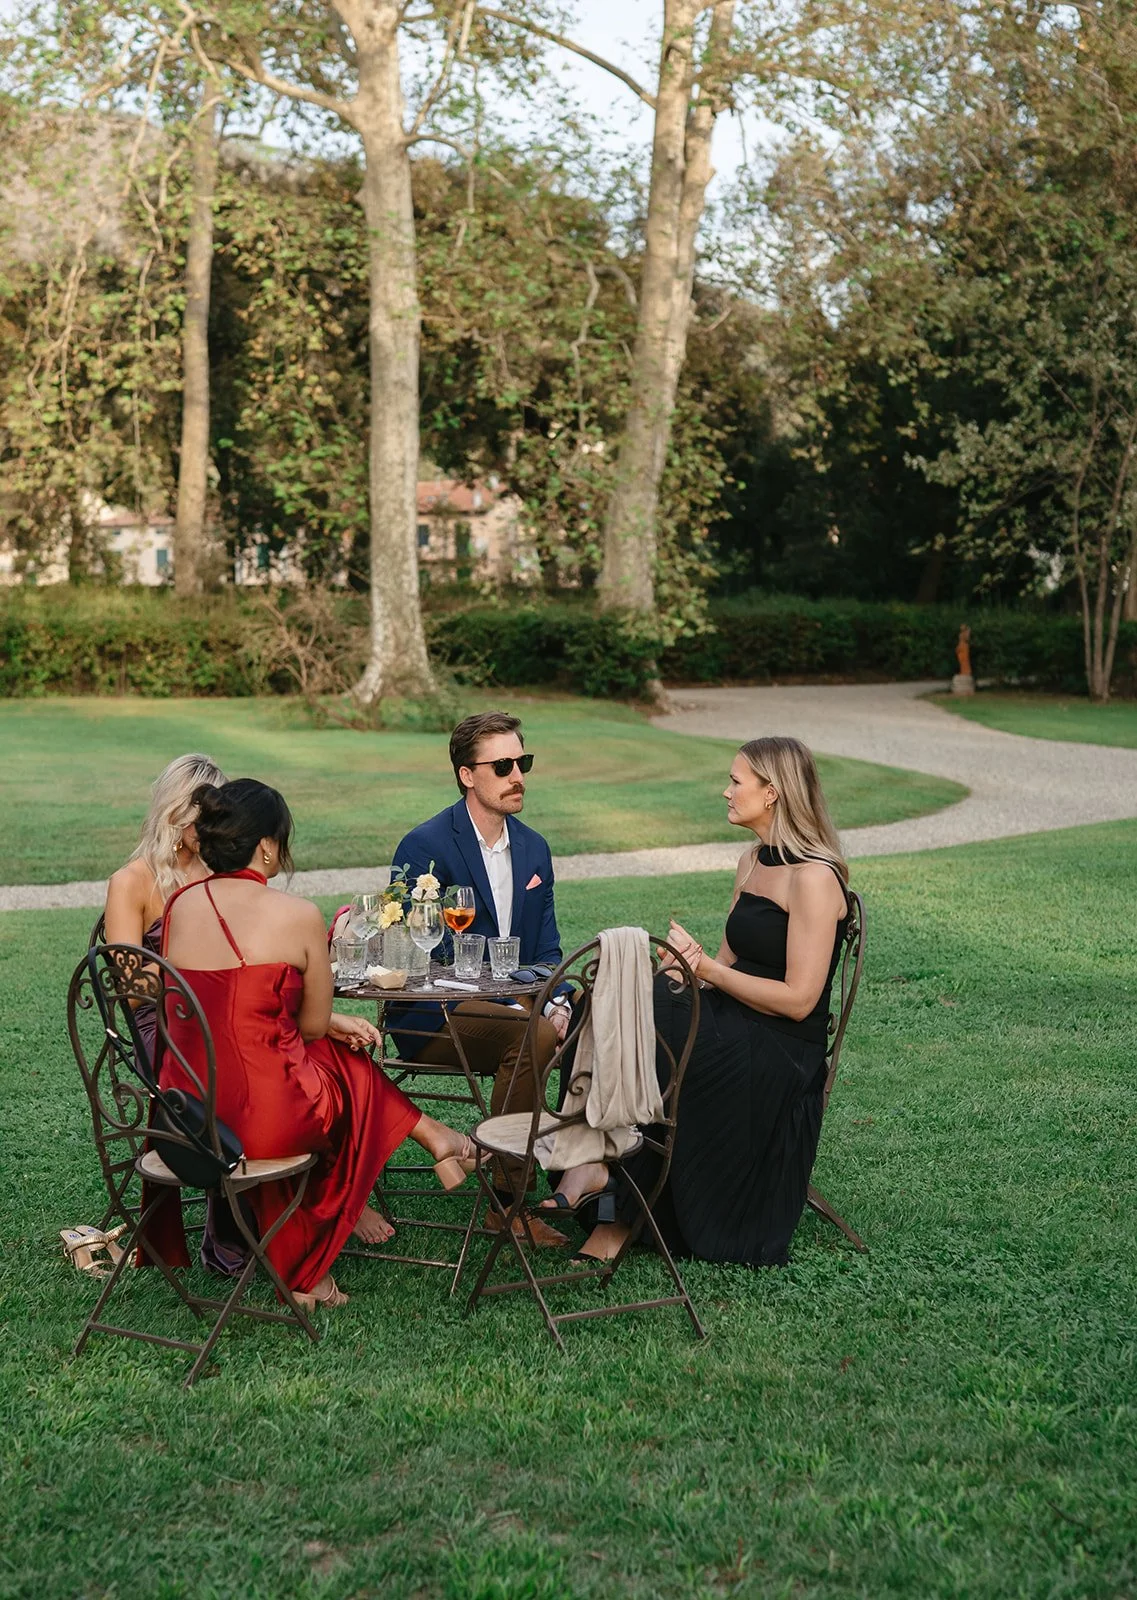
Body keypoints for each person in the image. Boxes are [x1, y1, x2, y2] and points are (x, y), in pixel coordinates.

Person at [149, 778, 477, 1311]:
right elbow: (311, 1026)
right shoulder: (297, 914)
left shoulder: (181, 904)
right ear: (267, 846)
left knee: (321, 1056)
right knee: (343, 1061)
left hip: (187, 1112)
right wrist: (333, 1024)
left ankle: (432, 1138)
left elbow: (224, 1013)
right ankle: (426, 1143)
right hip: (259, 1121)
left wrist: (323, 1025)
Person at [544, 736, 851, 1271]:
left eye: (735, 781)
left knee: (657, 1037)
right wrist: (685, 971)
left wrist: (707, 971)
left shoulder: (815, 878)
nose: (726, 791)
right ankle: (593, 1163)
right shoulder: (751, 861)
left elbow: (800, 1001)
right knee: (611, 997)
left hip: (778, 1048)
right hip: (733, 1017)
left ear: (772, 793)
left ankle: (614, 1206)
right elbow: (726, 964)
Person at [389, 710, 571, 1248]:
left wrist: (558, 1000)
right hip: (435, 1016)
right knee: (533, 1034)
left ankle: (591, 1181)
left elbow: (548, 951)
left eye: (522, 763)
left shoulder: (534, 848)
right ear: (467, 775)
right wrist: (524, 1006)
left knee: (596, 1014)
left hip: (519, 1007)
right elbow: (422, 953)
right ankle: (507, 1204)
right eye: (502, 766)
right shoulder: (425, 846)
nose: (517, 776)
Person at [104, 752, 227, 1062]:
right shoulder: (130, 882)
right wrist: (182, 957)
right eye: (204, 818)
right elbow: (128, 996)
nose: (213, 829)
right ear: (176, 813)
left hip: (224, 1005)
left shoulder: (220, 870)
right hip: (163, 1023)